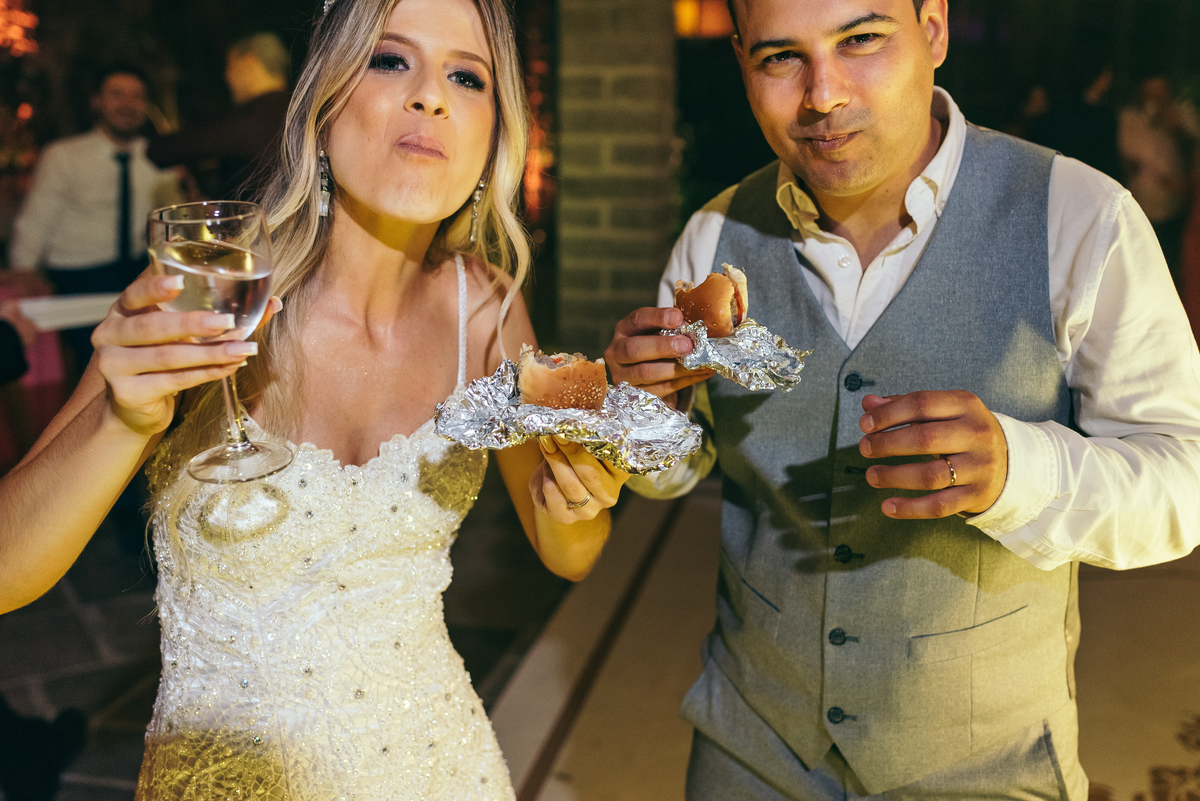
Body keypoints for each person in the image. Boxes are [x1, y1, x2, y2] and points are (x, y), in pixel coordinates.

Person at [0, 0, 624, 797]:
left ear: (492, 134)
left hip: (438, 767)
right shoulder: (208, 290)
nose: (431, 95)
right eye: (391, 60)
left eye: (466, 76)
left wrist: (578, 501)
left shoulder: (486, 311)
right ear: (323, 98)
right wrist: (125, 420)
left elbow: (567, 552)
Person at [606, 0, 1200, 799]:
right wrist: (646, 414)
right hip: (749, 744)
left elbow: (1184, 478)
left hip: (986, 765)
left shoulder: (1081, 217)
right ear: (742, 59)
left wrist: (1016, 471)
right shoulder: (712, 236)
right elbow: (671, 474)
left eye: (861, 40)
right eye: (781, 57)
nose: (822, 94)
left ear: (934, 29)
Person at [9, 63, 180, 373]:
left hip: (137, 270)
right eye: (117, 94)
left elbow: (173, 219)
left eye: (136, 96)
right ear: (96, 101)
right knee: (92, 372)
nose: (127, 104)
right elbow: (36, 219)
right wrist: (24, 268)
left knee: (150, 361)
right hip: (77, 277)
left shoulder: (159, 157)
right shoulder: (64, 156)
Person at [147, 32, 292, 202]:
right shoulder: (301, 110)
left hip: (259, 226)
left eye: (230, 66)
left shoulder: (249, 118)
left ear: (249, 61)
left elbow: (161, 151)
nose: (227, 77)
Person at [1118, 74, 1200, 291]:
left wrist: (1175, 127)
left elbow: (1194, 153)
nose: (1154, 98)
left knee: (1173, 269)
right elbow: (1125, 157)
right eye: (1149, 93)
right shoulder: (1129, 117)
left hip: (1176, 207)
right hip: (1140, 206)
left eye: (1160, 93)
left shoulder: (1184, 114)